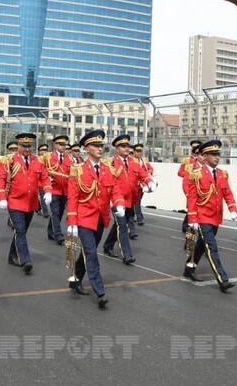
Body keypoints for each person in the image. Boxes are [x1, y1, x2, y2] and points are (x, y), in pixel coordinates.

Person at [66, 130, 124, 309]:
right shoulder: (78, 170)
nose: (100, 149)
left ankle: (75, 278)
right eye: (96, 146)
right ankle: (100, 292)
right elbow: (73, 197)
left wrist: (119, 203)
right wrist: (72, 223)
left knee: (87, 251)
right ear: (87, 148)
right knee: (91, 253)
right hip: (84, 219)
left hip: (100, 218)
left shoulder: (108, 169)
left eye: (101, 146)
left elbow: (115, 189)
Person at [184, 140, 237, 291]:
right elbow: (192, 198)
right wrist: (193, 219)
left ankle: (189, 268)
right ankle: (222, 279)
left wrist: (233, 208)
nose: (217, 157)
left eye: (218, 154)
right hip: (202, 217)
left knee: (202, 246)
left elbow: (227, 193)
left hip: (215, 217)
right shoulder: (197, 174)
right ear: (205, 156)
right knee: (211, 248)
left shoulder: (221, 174)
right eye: (213, 154)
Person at [0, 133, 52, 274]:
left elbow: (44, 178)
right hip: (15, 201)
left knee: (21, 231)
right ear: (18, 146)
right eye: (24, 146)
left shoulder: (38, 161)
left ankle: (12, 255)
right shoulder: (10, 161)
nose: (27, 149)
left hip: (31, 202)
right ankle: (26, 260)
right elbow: (1, 179)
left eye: (29, 146)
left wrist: (48, 191)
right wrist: (2, 197)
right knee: (20, 230)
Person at [101, 134, 155, 265]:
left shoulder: (133, 162)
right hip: (118, 200)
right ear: (116, 148)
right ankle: (127, 254)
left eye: (128, 146)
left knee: (120, 225)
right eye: (123, 146)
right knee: (122, 226)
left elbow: (143, 174)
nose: (126, 149)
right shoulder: (111, 163)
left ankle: (107, 245)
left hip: (132, 199)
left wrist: (150, 181)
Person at [44, 135, 72, 244]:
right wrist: (49, 179)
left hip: (64, 189)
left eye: (64, 144)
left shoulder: (68, 158)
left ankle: (51, 230)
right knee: (55, 212)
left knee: (59, 213)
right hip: (54, 189)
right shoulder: (48, 157)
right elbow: (43, 171)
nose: (63, 146)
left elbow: (70, 173)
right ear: (55, 145)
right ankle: (58, 234)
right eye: (60, 144)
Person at [178, 140, 202, 233]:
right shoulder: (187, 161)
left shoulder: (204, 162)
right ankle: (187, 226)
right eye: (194, 149)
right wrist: (190, 174)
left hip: (200, 189)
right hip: (190, 187)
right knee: (192, 207)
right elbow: (180, 173)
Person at [131, 144, 153, 225]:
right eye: (138, 151)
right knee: (136, 202)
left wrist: (149, 173)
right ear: (134, 152)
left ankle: (134, 216)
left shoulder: (144, 161)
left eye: (141, 151)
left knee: (137, 201)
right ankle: (139, 218)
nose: (140, 153)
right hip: (134, 184)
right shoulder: (131, 160)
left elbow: (150, 168)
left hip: (142, 185)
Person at [36, 143, 51, 218]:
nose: (44, 151)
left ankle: (39, 208)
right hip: (39, 180)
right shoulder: (37, 159)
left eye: (46, 150)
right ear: (39, 151)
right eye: (43, 150)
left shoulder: (50, 158)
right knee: (41, 196)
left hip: (49, 180)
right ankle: (45, 211)